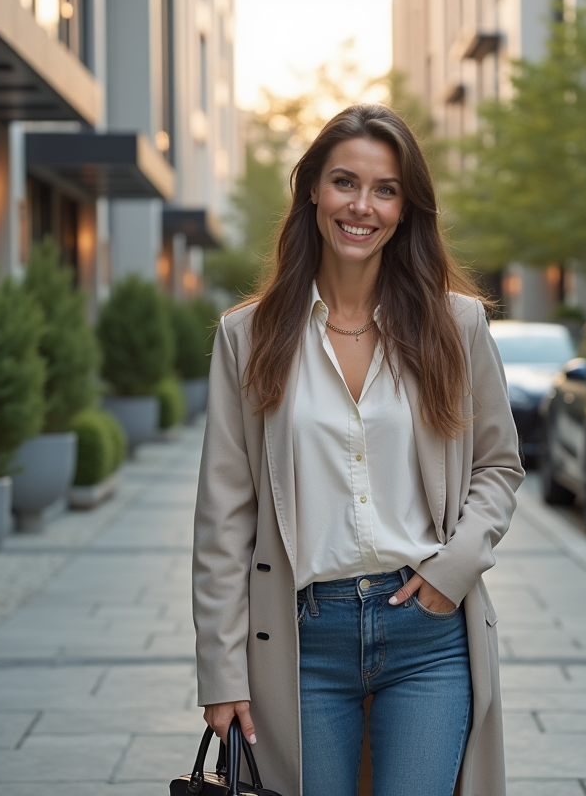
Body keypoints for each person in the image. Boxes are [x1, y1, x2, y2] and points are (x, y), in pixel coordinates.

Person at [192, 103, 523, 796]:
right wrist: (221, 670)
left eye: (385, 189)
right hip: (302, 642)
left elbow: (497, 464)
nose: (361, 206)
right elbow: (224, 519)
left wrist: (453, 570)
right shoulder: (247, 337)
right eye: (345, 182)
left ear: (406, 209)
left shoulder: (455, 325)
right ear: (313, 188)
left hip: (427, 635)